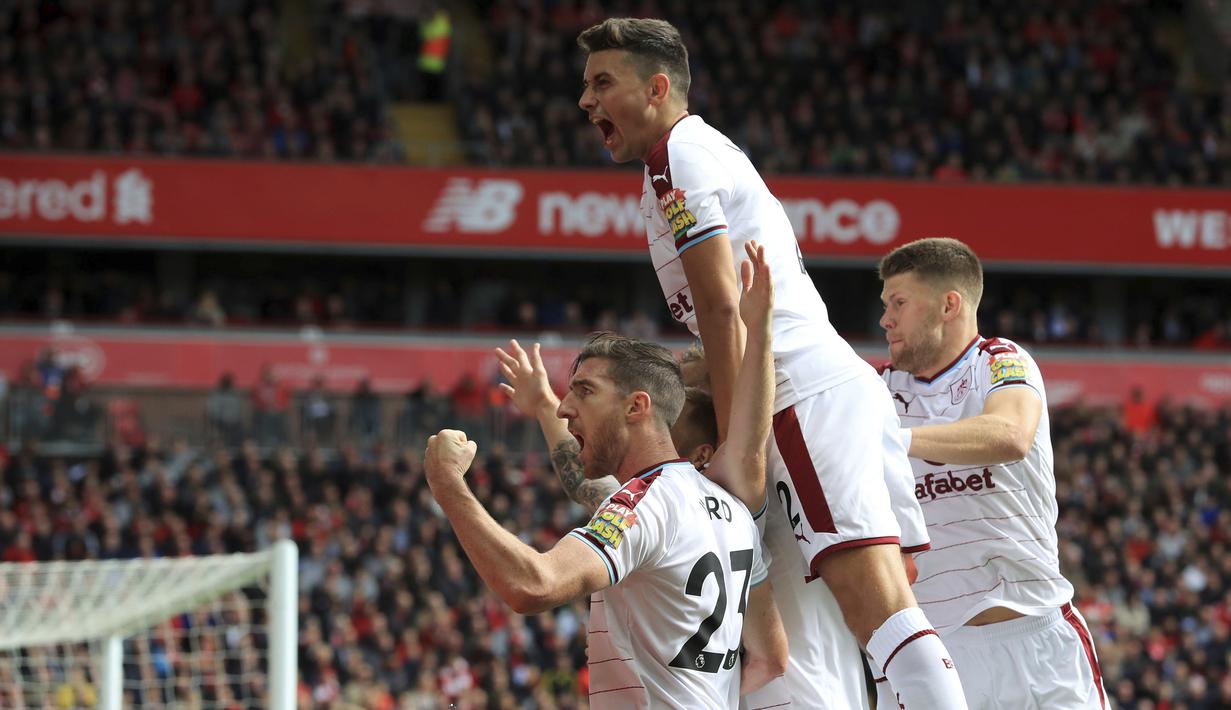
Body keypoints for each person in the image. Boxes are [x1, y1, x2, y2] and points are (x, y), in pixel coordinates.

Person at [576, 16, 963, 709]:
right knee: (860, 622)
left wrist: (737, 442)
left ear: (657, 88)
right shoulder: (694, 154)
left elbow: (723, 308)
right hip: (828, 383)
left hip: (795, 392)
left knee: (876, 608)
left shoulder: (676, 158)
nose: (586, 101)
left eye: (603, 83)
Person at [428, 332, 786, 706]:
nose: (565, 408)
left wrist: (447, 484)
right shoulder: (733, 513)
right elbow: (771, 658)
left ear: (636, 407)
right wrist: (544, 405)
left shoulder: (642, 504)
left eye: (585, 391)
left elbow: (534, 585)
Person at [878, 237, 1108, 708]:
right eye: (885, 305)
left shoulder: (1001, 360)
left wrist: (895, 440)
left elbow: (1010, 434)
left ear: (949, 305)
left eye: (898, 303)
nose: (886, 319)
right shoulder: (877, 390)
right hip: (937, 653)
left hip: (1036, 636)